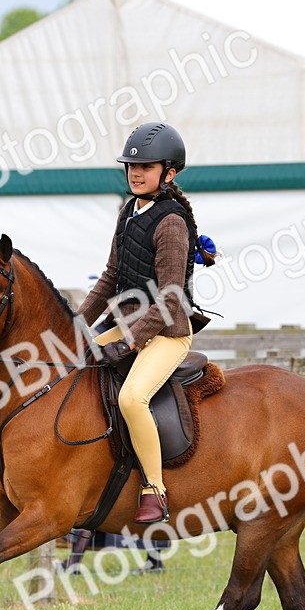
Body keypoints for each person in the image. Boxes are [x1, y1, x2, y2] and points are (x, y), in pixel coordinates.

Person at [76, 122, 201, 524]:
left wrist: (130, 342)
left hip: (167, 333)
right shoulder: (128, 211)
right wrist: (74, 325)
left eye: (146, 166)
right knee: (73, 366)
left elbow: (170, 297)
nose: (135, 172)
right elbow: (111, 276)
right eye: (131, 165)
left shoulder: (172, 223)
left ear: (169, 172)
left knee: (132, 398)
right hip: (128, 325)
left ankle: (154, 489)